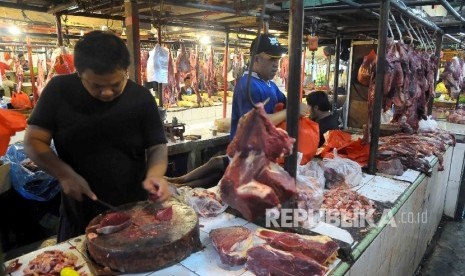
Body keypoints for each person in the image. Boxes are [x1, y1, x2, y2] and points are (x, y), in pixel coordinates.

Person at [24, 31, 170, 242]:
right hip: (79, 212)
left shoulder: (141, 97)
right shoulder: (59, 91)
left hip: (134, 212)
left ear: (125, 71)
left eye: (115, 84)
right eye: (97, 86)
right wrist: (63, 174)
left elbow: (157, 146)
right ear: (79, 72)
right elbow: (33, 140)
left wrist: (155, 174)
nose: (107, 93)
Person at [167, 34, 308, 188]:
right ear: (256, 59)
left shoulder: (269, 85)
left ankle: (178, 182)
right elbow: (257, 122)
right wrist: (292, 111)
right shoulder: (248, 85)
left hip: (259, 153)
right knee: (221, 177)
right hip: (246, 151)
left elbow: (287, 103)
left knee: (218, 171)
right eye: (271, 59)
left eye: (277, 59)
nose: (276, 64)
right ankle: (178, 184)